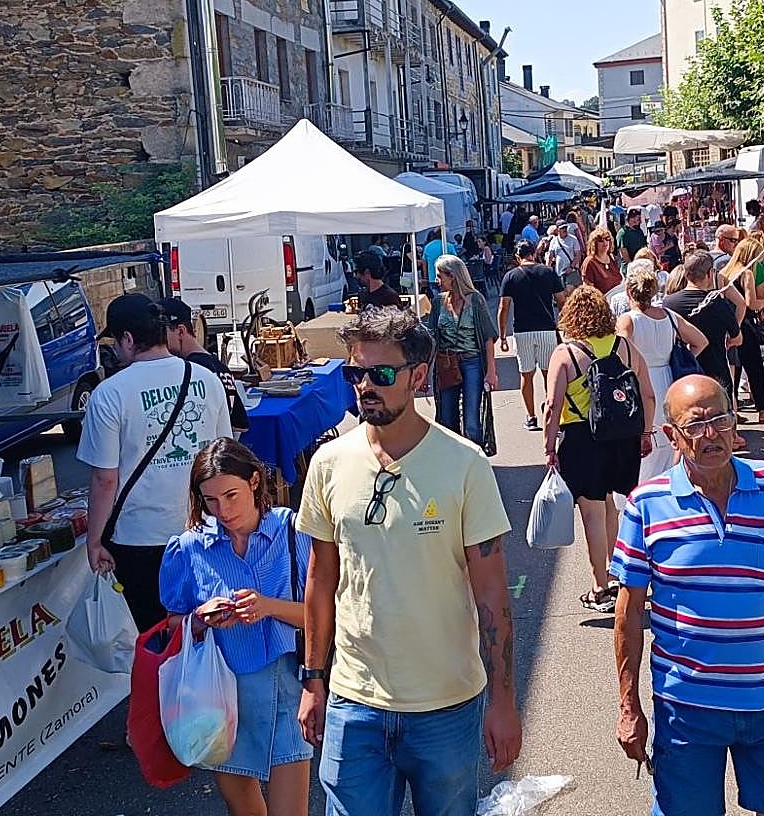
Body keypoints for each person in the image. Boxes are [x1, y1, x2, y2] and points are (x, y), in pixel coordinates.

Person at [296, 307, 521, 814]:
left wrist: (504, 701)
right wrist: (313, 679)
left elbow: (492, 595)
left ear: (419, 376)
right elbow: (320, 580)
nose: (365, 387)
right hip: (354, 701)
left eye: (381, 373)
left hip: (446, 707)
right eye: (355, 373)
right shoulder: (329, 464)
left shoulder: (464, 464)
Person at [612, 375, 764, 816]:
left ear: (735, 423)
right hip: (686, 709)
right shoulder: (646, 505)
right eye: (695, 425)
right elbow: (629, 613)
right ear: (672, 436)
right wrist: (628, 705)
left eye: (720, 419)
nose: (711, 434)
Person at [159, 438, 311, 816]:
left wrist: (268, 606)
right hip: (222, 696)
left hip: (288, 688)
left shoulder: (293, 532)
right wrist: (200, 618)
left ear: (255, 482)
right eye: (210, 500)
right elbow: (172, 623)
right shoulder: (189, 548)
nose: (223, 511)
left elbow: (325, 615)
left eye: (231, 495)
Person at [78, 294, 232, 630]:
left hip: (139, 539)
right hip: (203, 528)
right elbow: (224, 458)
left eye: (115, 342)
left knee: (155, 634)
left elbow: (105, 480)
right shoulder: (207, 379)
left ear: (128, 339)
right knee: (208, 629)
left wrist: (94, 540)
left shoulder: (109, 394)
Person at [543, 286, 655, 613]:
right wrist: (646, 432)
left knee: (591, 511)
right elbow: (647, 394)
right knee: (610, 505)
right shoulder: (625, 347)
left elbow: (552, 406)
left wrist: (549, 446)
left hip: (581, 438)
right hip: (622, 436)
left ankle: (600, 587)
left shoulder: (566, 353)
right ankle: (617, 571)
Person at [616, 264, 708, 483]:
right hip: (668, 378)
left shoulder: (628, 320)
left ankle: (643, 489)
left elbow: (621, 351)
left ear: (629, 291)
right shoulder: (669, 316)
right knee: (670, 440)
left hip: (641, 381)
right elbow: (700, 341)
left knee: (643, 441)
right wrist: (680, 358)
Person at [426, 255, 498, 444]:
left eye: (440, 276)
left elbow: (488, 337)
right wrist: (424, 371)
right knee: (447, 418)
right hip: (446, 363)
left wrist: (491, 372)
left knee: (472, 420)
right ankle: (454, 456)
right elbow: (431, 339)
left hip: (472, 362)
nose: (437, 280)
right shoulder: (438, 302)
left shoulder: (475, 300)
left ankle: (475, 456)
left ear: (453, 276)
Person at [499, 240, 567, 431]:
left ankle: (531, 417)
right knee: (549, 375)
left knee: (526, 375)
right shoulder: (548, 272)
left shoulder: (511, 276)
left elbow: (504, 308)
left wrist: (503, 335)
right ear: (534, 254)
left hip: (522, 331)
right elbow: (562, 300)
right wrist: (564, 323)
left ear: (517, 257)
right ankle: (552, 415)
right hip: (546, 329)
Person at [160, 297, 250, 434]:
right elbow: (240, 424)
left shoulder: (191, 370)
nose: (157, 341)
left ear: (181, 331)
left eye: (162, 334)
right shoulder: (220, 367)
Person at [663, 249, 745, 392]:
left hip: (682, 373)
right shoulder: (718, 304)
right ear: (710, 273)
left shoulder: (669, 303)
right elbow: (737, 339)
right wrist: (728, 341)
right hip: (716, 375)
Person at [723, 238, 764, 424]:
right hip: (745, 325)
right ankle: (763, 411)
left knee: (733, 370)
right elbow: (751, 303)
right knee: (754, 369)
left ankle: (733, 411)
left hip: (727, 326)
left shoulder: (725, 272)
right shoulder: (747, 273)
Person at [582, 227, 622, 294]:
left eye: (607, 239)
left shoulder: (611, 257)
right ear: (594, 243)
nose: (605, 243)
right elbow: (588, 291)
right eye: (600, 240)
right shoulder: (590, 262)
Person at [548, 220, 582, 288]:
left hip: (572, 271)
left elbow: (578, 255)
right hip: (559, 273)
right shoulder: (554, 241)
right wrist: (548, 269)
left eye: (566, 227)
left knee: (573, 291)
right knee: (562, 292)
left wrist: (571, 267)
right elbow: (550, 256)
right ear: (557, 229)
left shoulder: (573, 239)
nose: (565, 229)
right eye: (562, 228)